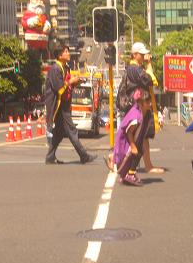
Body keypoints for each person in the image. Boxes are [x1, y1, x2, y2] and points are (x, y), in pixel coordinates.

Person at [105, 42, 164, 173]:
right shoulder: (134, 69)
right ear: (134, 54)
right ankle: (116, 158)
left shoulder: (135, 68)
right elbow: (149, 80)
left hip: (140, 106)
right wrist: (149, 65)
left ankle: (145, 165)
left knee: (143, 137)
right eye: (142, 54)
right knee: (135, 137)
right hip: (135, 108)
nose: (144, 56)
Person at [44, 43, 97, 165]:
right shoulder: (55, 69)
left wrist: (76, 82)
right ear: (59, 55)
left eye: (68, 51)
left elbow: (67, 86)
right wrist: (70, 81)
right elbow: (59, 89)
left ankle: (50, 157)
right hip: (58, 105)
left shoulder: (66, 68)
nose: (68, 53)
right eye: (66, 52)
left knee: (60, 132)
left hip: (65, 103)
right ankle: (83, 155)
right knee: (72, 130)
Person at [114, 89, 152, 186]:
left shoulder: (143, 112)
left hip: (131, 137)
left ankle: (127, 175)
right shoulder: (136, 116)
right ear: (141, 103)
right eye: (147, 102)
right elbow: (128, 132)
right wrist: (133, 145)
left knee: (137, 152)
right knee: (133, 153)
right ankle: (130, 174)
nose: (150, 104)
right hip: (125, 138)